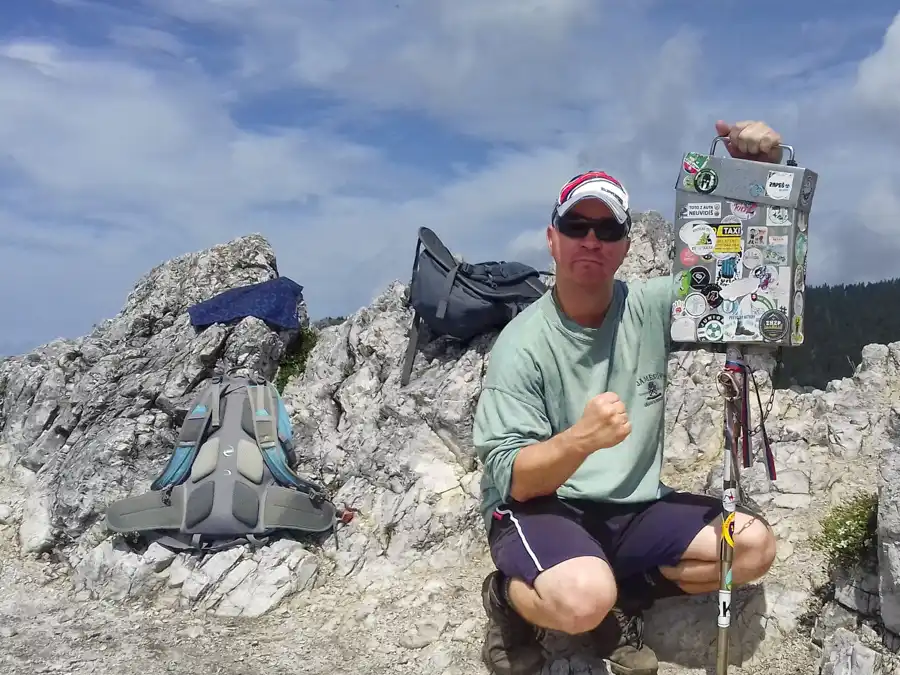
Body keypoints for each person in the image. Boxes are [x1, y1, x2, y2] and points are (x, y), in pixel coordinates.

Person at [473, 120, 782, 675]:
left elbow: (742, 275)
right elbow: (512, 478)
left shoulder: (648, 307)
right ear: (552, 239)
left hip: (634, 508)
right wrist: (579, 442)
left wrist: (750, 177)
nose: (591, 239)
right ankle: (509, 597)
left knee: (751, 548)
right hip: (543, 508)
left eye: (608, 228)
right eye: (576, 225)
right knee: (581, 599)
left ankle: (622, 589)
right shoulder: (521, 345)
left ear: (625, 246)